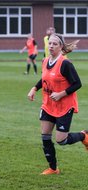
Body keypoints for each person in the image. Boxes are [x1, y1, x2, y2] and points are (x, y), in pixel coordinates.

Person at [27, 33, 88, 175]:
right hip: (48, 104)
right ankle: (53, 168)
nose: (51, 46)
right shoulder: (45, 61)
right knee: (45, 136)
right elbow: (44, 79)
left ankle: (84, 136)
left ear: (61, 47)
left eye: (55, 44)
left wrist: (61, 94)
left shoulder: (65, 63)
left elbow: (77, 83)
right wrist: (34, 88)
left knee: (61, 140)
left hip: (64, 106)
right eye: (50, 43)